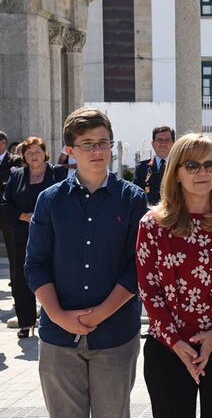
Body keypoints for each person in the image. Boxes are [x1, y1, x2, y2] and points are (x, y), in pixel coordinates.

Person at [25, 107, 148, 418]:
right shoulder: (50, 200)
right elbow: (36, 263)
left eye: (103, 143)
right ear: (70, 150)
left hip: (115, 335)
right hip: (58, 336)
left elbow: (137, 266)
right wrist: (59, 316)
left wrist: (101, 313)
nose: (97, 151)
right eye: (88, 143)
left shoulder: (132, 199)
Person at [137, 133, 212, 418]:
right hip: (168, 349)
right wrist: (175, 341)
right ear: (176, 173)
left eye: (210, 164)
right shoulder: (152, 225)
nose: (202, 172)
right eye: (192, 166)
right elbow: (148, 290)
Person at [2, 137, 66, 338]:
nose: (34, 156)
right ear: (23, 156)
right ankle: (26, 322)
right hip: (22, 234)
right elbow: (5, 204)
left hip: (53, 234)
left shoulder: (58, 173)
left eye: (37, 151)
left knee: (55, 275)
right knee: (20, 278)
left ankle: (54, 318)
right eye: (29, 153)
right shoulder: (16, 175)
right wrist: (23, 216)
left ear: (45, 153)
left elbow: (66, 200)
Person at [0, 131, 23, 283]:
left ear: (3, 142)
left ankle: (15, 281)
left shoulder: (15, 160)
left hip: (6, 211)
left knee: (12, 249)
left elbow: (12, 177)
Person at [134, 126, 175, 205]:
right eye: (159, 140)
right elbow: (136, 195)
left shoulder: (179, 166)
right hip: (149, 211)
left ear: (173, 143)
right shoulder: (142, 168)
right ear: (153, 144)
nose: (163, 144)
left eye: (167, 140)